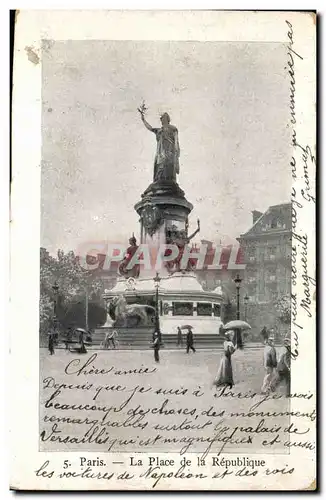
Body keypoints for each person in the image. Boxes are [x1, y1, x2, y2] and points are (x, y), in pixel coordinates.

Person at [138, 104, 180, 183]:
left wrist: (177, 156)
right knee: (160, 168)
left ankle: (168, 182)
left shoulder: (173, 129)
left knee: (168, 169)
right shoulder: (159, 130)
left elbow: (176, 142)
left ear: (167, 119)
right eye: (161, 119)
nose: (161, 120)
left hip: (170, 153)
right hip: (160, 154)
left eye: (163, 118)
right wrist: (143, 119)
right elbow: (150, 128)